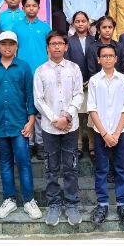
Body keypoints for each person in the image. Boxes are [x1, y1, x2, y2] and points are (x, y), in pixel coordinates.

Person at [0, 31, 42, 220]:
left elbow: (30, 95)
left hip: (19, 123)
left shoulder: (23, 67)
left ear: (16, 46)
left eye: (11, 44)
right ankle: (9, 199)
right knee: (5, 163)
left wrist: (31, 120)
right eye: (4, 44)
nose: (7, 47)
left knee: (23, 161)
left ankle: (29, 200)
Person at [33, 31, 84, 227]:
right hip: (50, 128)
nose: (56, 47)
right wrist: (55, 119)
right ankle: (53, 204)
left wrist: (67, 116)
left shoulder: (74, 68)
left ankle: (71, 203)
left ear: (66, 46)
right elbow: (38, 100)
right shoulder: (40, 71)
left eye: (60, 43)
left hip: (71, 127)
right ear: (47, 47)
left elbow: (79, 94)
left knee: (71, 167)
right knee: (51, 168)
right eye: (53, 44)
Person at [87, 43, 124, 228]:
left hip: (119, 133)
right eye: (104, 56)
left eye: (110, 56)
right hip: (100, 132)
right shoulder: (94, 81)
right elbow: (92, 108)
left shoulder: (122, 80)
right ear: (99, 59)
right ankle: (102, 204)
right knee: (101, 169)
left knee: (121, 169)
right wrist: (105, 134)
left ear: (116, 59)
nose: (107, 58)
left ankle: (122, 204)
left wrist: (115, 133)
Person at [13, 0, 51, 159]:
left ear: (39, 8)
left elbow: (50, 50)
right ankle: (28, 143)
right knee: (25, 109)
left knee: (40, 110)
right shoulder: (16, 27)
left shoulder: (45, 27)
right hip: (22, 73)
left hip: (42, 73)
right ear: (23, 8)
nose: (31, 8)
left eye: (34, 5)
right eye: (28, 6)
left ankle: (40, 144)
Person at [64, 11, 95, 157]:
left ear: (88, 23)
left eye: (83, 21)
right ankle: (78, 145)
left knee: (90, 115)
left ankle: (92, 145)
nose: (81, 24)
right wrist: (77, 83)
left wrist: (91, 80)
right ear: (73, 24)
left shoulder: (94, 40)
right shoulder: (69, 42)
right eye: (77, 21)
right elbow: (67, 63)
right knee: (77, 115)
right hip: (74, 84)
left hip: (91, 83)